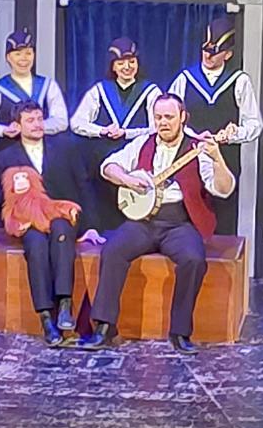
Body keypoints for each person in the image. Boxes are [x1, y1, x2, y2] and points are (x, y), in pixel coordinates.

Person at [77, 93, 235, 354]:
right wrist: (128, 180)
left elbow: (224, 189)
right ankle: (104, 327)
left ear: (183, 118)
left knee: (193, 260)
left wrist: (218, 159)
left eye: (169, 117)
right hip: (143, 221)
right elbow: (108, 166)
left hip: (180, 223)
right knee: (113, 250)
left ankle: (180, 332)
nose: (163, 122)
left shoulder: (197, 149)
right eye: (158, 117)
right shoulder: (143, 142)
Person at [0, 101, 104, 347]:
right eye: (30, 120)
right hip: (30, 220)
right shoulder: (6, 157)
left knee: (62, 233)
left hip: (62, 214)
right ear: (17, 126)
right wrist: (12, 193)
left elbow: (84, 185)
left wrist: (91, 225)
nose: (37, 124)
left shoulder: (65, 148)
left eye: (39, 118)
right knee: (35, 246)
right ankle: (46, 318)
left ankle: (64, 304)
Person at [168, 16, 263, 234]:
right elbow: (169, 114)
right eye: (206, 50)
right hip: (189, 155)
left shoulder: (239, 81)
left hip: (224, 158)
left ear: (227, 55)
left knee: (223, 218)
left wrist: (235, 133)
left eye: (215, 52)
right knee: (188, 214)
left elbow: (254, 124)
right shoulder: (185, 79)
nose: (208, 56)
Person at [70, 36, 162, 230]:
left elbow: (156, 128)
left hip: (137, 155)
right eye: (121, 63)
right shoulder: (99, 90)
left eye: (131, 61)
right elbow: (76, 123)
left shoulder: (151, 91)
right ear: (113, 66)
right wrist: (102, 130)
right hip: (103, 158)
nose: (127, 67)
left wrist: (127, 133)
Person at [0, 27, 68, 143]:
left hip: (42, 149)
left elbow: (61, 120)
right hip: (8, 150)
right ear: (8, 57)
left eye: (28, 53)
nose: (23, 59)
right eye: (17, 54)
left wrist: (37, 127)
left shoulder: (48, 86)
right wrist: (2, 130)